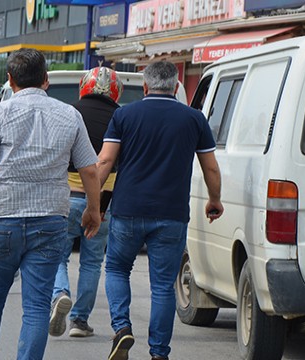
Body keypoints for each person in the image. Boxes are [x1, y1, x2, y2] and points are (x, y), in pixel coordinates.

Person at [0, 48, 102, 360]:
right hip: (49, 221)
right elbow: (89, 168)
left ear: (10, 79)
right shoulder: (69, 115)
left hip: (2, 220)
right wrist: (94, 210)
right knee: (36, 307)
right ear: (46, 80)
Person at [96, 60, 223, 360]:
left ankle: (121, 328)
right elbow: (211, 168)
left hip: (128, 210)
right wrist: (214, 200)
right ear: (177, 86)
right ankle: (159, 353)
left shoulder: (124, 115)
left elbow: (104, 162)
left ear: (144, 86)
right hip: (171, 214)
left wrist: (93, 204)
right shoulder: (194, 119)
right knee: (163, 285)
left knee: (116, 268)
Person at [49, 67, 122, 338]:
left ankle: (60, 293)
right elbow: (117, 164)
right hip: (103, 199)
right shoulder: (121, 116)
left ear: (84, 86)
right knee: (92, 263)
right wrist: (102, 206)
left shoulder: (68, 112)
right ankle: (79, 321)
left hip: (66, 196)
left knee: (58, 255)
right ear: (116, 90)